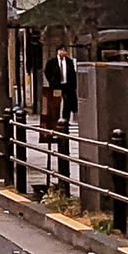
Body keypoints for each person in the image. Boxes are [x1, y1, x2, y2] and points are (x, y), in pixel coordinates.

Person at [40, 45, 77, 190]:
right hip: (56, 85)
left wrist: (73, 85)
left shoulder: (69, 62)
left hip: (67, 86)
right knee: (56, 104)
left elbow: (73, 74)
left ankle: (65, 120)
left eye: (64, 51)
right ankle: (57, 121)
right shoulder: (52, 62)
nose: (62, 53)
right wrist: (52, 81)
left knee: (67, 103)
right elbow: (47, 71)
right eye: (61, 51)